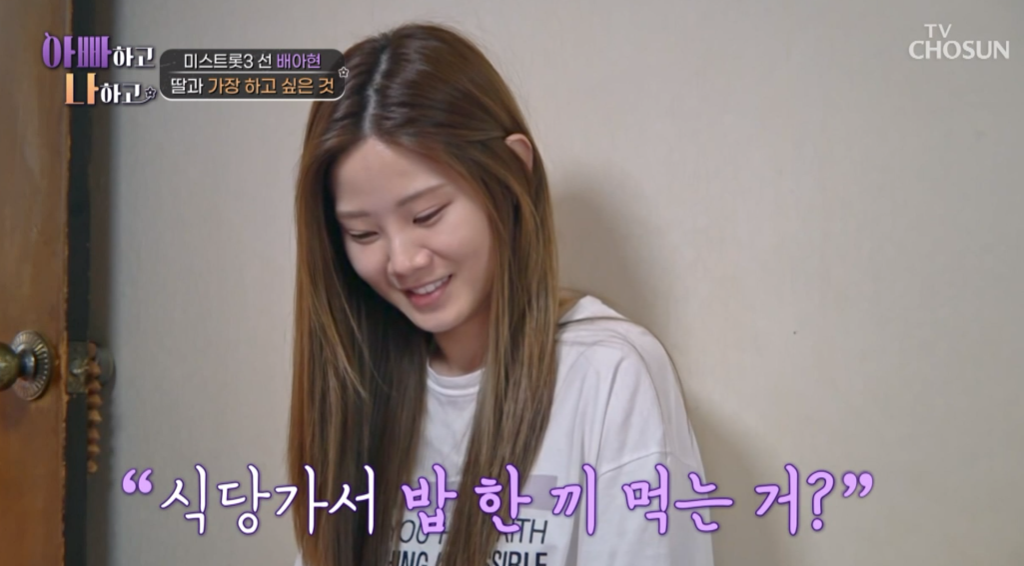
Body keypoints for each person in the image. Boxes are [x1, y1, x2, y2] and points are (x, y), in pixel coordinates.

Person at [289, 21, 714, 566]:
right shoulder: (360, 385)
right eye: (363, 233)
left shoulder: (608, 376)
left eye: (427, 214)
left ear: (511, 172)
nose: (402, 261)